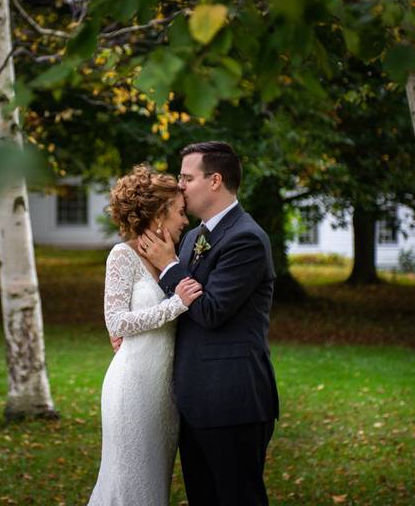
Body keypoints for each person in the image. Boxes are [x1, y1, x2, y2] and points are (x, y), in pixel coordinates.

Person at [139, 141, 279, 505]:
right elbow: (175, 308)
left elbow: (212, 311)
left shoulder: (246, 239)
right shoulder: (192, 238)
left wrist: (170, 267)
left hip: (232, 400)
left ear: (215, 180)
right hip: (195, 399)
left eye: (187, 177)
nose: (180, 185)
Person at [88, 165, 203, 506]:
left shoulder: (177, 258)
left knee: (153, 488)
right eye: (180, 212)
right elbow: (116, 322)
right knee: (128, 484)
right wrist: (175, 306)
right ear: (159, 213)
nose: (185, 221)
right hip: (132, 388)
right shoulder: (122, 256)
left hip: (165, 394)